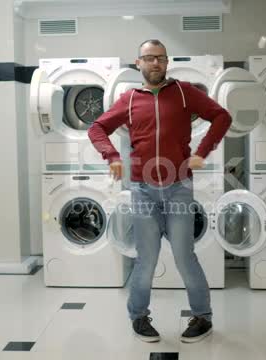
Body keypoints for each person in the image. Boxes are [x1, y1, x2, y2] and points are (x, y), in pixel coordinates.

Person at [87, 39, 231, 343]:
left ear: (167, 63)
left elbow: (222, 116)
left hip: (178, 187)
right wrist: (112, 157)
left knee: (184, 255)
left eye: (161, 58)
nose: (156, 63)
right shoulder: (128, 100)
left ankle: (202, 317)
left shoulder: (183, 92)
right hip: (143, 191)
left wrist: (203, 152)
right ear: (138, 63)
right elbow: (96, 128)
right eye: (149, 58)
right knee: (146, 258)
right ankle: (138, 316)